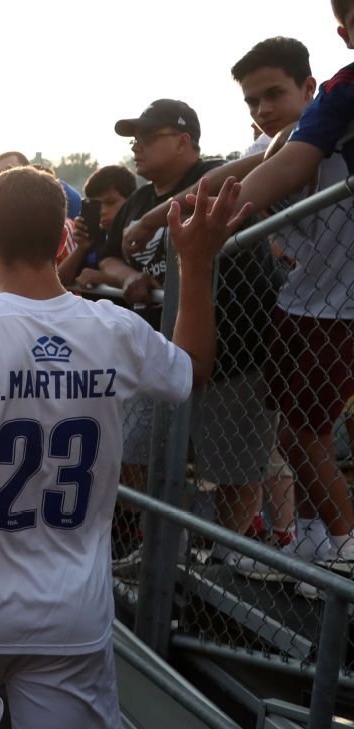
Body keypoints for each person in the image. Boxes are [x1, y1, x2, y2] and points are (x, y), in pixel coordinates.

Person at [0, 166, 247, 729]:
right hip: (72, 610)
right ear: (61, 242)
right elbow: (191, 370)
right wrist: (195, 265)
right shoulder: (114, 329)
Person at [97, 99, 282, 577]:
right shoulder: (136, 200)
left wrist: (154, 223)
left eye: (147, 136)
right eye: (132, 138)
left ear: (183, 141)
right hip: (160, 355)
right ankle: (171, 540)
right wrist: (125, 277)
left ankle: (227, 556)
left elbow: (267, 160)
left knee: (235, 467)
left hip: (237, 348)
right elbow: (108, 257)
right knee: (129, 450)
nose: (135, 146)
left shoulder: (216, 175)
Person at [223, 17, 354, 584]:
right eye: (253, 99)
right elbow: (245, 170)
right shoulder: (275, 141)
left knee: (303, 434)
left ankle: (346, 547)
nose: (263, 107)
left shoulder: (335, 117)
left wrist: (215, 223)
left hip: (340, 306)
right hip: (301, 301)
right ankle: (311, 542)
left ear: (309, 87)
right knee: (298, 432)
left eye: (274, 93)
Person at [58, 165, 138, 288]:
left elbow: (146, 283)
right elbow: (59, 282)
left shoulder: (141, 236)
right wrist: (81, 248)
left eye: (110, 202)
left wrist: (103, 278)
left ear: (132, 201)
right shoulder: (97, 236)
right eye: (96, 205)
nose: (102, 211)